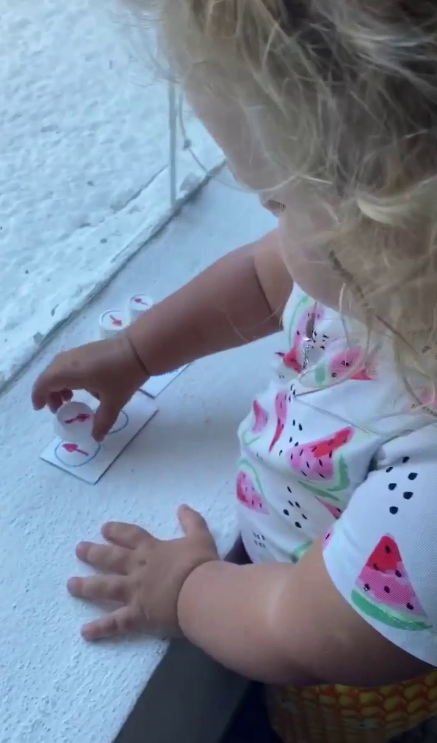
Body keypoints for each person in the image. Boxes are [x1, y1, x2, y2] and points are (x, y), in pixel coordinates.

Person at [32, 1, 437, 741]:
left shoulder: (427, 493)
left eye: (279, 201)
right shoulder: (383, 284)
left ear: (395, 229)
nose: (270, 226)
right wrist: (138, 352)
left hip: (343, 691)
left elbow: (302, 630)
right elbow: (260, 279)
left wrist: (188, 588)